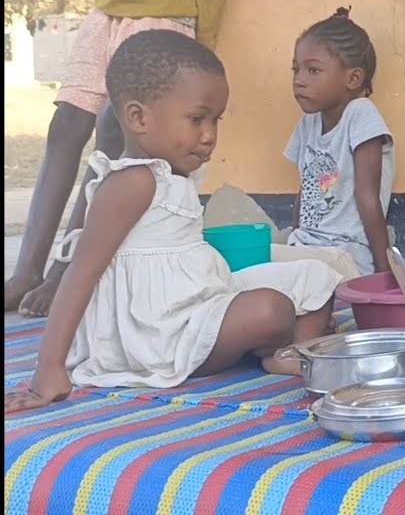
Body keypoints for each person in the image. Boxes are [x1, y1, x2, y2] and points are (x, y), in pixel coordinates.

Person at [4, 31, 342, 414]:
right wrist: (48, 370)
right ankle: (276, 342)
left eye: (215, 121)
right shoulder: (132, 182)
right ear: (138, 117)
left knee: (317, 276)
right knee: (271, 309)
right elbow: (80, 275)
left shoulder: (171, 173)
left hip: (200, 298)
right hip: (157, 335)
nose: (210, 136)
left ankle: (287, 351)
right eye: (197, 119)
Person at [6, 0, 228, 317]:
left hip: (164, 15)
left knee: (115, 126)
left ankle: (67, 267)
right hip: (109, 14)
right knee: (65, 127)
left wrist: (201, 43)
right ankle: (27, 270)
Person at [285, 8, 397, 276]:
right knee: (245, 265)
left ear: (353, 78)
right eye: (296, 69)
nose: (299, 80)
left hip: (346, 255)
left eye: (313, 70)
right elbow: (305, 193)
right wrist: (294, 239)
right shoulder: (308, 124)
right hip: (308, 249)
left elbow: (367, 197)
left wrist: (383, 273)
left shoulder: (360, 114)